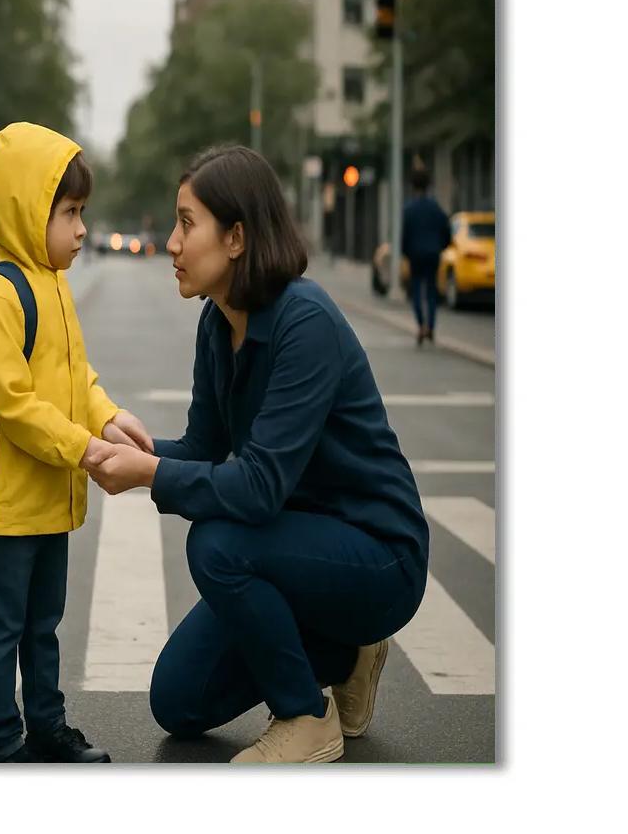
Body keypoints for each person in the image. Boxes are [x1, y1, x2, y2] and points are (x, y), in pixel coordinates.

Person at [87, 145, 429, 764]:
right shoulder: (219, 321)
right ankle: (345, 654)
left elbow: (257, 488)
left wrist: (152, 475)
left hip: (377, 554)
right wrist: (131, 450)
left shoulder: (306, 322)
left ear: (237, 237)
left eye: (187, 224)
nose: (171, 243)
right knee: (178, 703)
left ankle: (305, 716)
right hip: (291, 549)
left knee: (217, 545)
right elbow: (202, 449)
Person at [0, 122, 154, 763]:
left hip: (50, 495)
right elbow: (14, 403)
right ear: (25, 211)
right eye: (69, 213)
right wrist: (86, 448)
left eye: (81, 213)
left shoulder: (54, 282)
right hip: (9, 501)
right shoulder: (1, 291)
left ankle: (46, 726)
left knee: (43, 625)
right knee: (3, 627)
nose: (80, 229)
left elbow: (76, 380)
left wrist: (107, 419)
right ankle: (1, 743)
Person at [401, 166, 453, 345]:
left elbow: (404, 234)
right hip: (433, 253)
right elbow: (446, 230)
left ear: (413, 186)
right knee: (431, 290)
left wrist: (406, 252)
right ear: (429, 185)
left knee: (416, 290)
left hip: (415, 254)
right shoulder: (436, 207)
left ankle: (421, 325)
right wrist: (441, 246)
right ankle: (430, 326)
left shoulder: (408, 209)